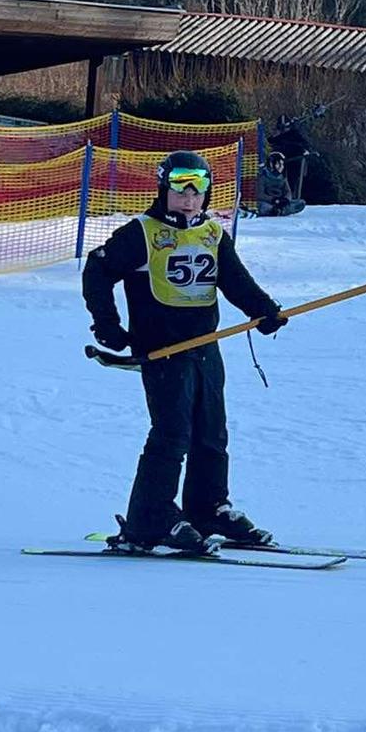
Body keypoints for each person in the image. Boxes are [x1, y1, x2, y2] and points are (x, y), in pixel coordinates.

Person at [83, 150, 288, 553]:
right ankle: (149, 519)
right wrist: (107, 324)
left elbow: (235, 280)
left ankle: (208, 509)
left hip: (204, 348)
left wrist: (263, 310)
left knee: (212, 434)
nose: (189, 198)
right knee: (171, 434)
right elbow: (98, 270)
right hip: (163, 350)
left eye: (197, 190)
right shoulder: (142, 233)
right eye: (180, 189)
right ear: (163, 189)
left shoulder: (212, 234)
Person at [257, 151, 306, 217]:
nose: (281, 167)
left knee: (300, 202)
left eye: (282, 164)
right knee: (262, 206)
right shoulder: (262, 177)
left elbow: (288, 191)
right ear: (271, 164)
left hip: (280, 201)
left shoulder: (282, 178)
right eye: (278, 164)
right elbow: (260, 195)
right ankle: (275, 210)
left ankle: (280, 210)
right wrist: (273, 199)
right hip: (268, 202)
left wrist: (286, 199)